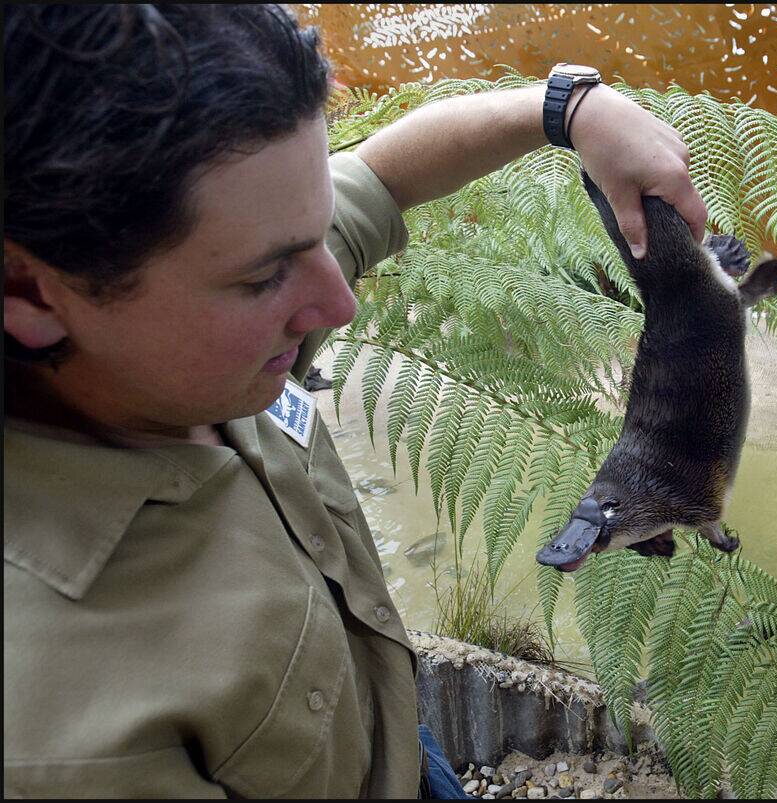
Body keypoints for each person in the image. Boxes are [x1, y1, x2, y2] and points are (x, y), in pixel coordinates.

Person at [2, 4, 707, 798]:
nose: (339, 303)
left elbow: (383, 174)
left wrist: (569, 108)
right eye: (265, 275)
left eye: (318, 232)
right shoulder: (56, 741)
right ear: (27, 287)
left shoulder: (169, 314)